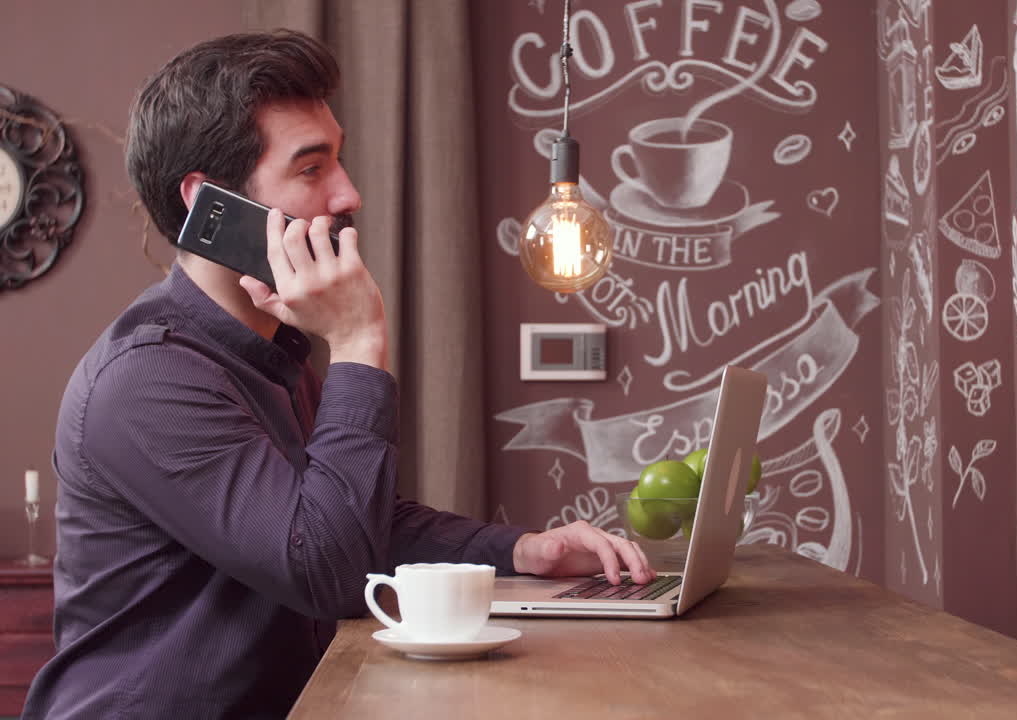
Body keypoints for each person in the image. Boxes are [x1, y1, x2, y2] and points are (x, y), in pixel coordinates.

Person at [22, 29, 652, 720]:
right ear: (211, 206)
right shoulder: (147, 379)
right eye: (312, 168)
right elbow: (324, 567)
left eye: (340, 162)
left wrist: (525, 551)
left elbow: (352, 522)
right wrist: (357, 340)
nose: (349, 195)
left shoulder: (269, 351)